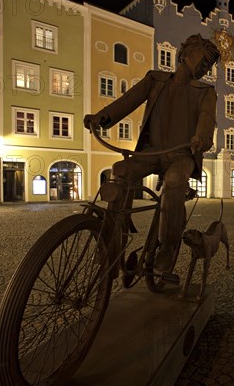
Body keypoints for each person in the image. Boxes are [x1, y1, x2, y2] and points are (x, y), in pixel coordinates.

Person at [84, 34, 221, 271]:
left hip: (182, 155)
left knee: (175, 180)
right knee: (120, 170)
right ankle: (112, 244)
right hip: (150, 153)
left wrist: (201, 139)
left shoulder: (205, 92)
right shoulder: (155, 80)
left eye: (209, 65)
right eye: (204, 60)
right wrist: (103, 117)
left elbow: (207, 120)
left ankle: (167, 248)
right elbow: (127, 101)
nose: (205, 68)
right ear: (186, 54)